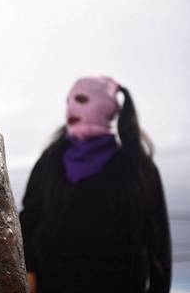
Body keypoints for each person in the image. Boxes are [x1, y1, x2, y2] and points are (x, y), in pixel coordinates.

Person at [19, 76, 172, 293]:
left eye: (80, 99)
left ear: (106, 107)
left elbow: (159, 246)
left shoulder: (137, 167)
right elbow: (28, 221)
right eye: (68, 101)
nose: (71, 108)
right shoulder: (50, 162)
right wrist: (29, 275)